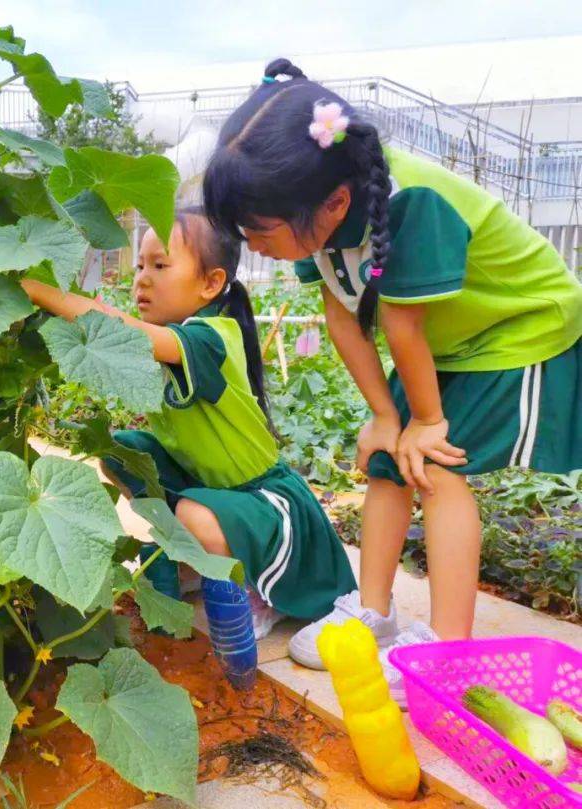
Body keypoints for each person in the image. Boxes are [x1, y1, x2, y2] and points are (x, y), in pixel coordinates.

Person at [202, 58, 582, 703]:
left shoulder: (411, 202)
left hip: (520, 326)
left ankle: (449, 651)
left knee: (435, 466)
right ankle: (372, 614)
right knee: (387, 459)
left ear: (334, 204)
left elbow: (402, 331)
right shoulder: (315, 206)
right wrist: (385, 417)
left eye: (258, 232)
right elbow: (343, 318)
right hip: (449, 340)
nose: (249, 245)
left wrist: (425, 423)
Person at [20, 208, 357, 652]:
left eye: (160, 265)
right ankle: (195, 560)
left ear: (211, 284)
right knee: (121, 450)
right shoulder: (172, 334)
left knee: (193, 514)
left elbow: (111, 327)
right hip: (213, 488)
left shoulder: (210, 336)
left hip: (267, 504)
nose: (142, 278)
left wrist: (32, 289)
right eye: (141, 265)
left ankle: (253, 587)